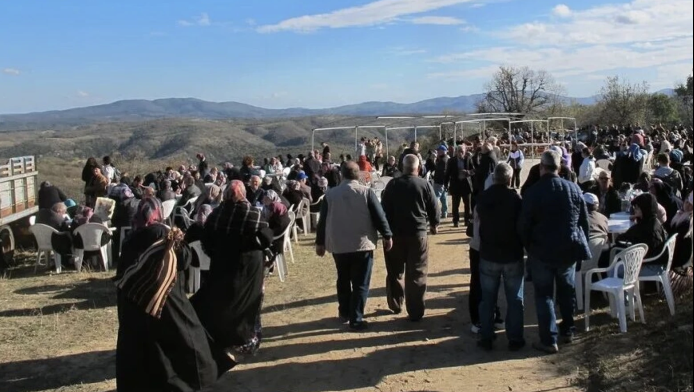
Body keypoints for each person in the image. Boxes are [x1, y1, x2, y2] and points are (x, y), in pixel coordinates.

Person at [114, 197, 234, 392]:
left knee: (141, 352)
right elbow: (186, 260)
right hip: (164, 301)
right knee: (178, 343)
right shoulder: (163, 232)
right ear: (158, 213)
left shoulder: (130, 238)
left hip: (133, 304)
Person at [519, 150, 591, 354]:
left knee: (544, 295)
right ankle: (568, 330)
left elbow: (524, 225)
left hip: (541, 251)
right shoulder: (573, 188)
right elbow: (583, 222)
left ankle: (549, 339)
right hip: (567, 250)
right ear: (558, 167)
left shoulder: (533, 192)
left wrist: (529, 247)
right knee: (566, 292)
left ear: (541, 167)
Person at [191, 181, 274, 357]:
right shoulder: (252, 213)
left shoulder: (216, 214)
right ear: (243, 194)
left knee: (223, 302)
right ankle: (247, 339)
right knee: (249, 303)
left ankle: (222, 338)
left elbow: (206, 239)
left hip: (222, 266)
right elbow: (266, 237)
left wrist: (218, 252)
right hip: (248, 269)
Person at [315, 161, 393, 331]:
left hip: (338, 245)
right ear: (359, 174)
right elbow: (379, 216)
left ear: (341, 174)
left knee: (343, 279)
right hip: (362, 244)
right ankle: (356, 318)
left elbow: (322, 221)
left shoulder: (331, 194)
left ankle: (344, 312)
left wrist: (320, 242)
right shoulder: (366, 192)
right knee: (360, 283)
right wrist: (387, 235)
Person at [381, 154, 439, 321]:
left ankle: (395, 304)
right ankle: (415, 311)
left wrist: (385, 233)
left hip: (395, 236)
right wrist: (434, 224)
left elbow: (384, 210)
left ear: (402, 167)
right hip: (418, 234)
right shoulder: (424, 184)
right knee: (417, 273)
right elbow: (434, 207)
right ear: (418, 167)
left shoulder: (392, 184)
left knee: (394, 271)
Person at [476, 163, 525, 351]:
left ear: (494, 178)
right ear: (510, 179)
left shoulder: (483, 198)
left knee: (488, 299)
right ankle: (515, 338)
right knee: (515, 299)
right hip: (512, 254)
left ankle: (487, 336)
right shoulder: (516, 199)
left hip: (489, 254)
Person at [445, 145, 474, 228]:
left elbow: (474, 171)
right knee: (455, 205)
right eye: (459, 151)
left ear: (465, 151)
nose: (461, 152)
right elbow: (447, 173)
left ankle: (467, 221)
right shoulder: (451, 161)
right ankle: (456, 221)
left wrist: (467, 172)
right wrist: (446, 184)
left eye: (462, 151)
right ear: (456, 152)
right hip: (455, 185)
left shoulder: (468, 159)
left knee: (467, 205)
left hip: (466, 186)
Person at [433, 145, 449, 219]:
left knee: (436, 198)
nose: (438, 152)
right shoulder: (445, 159)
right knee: (444, 198)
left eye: (439, 151)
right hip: (444, 182)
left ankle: (435, 213)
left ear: (443, 151)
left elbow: (442, 172)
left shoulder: (443, 161)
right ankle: (444, 213)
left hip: (439, 182)